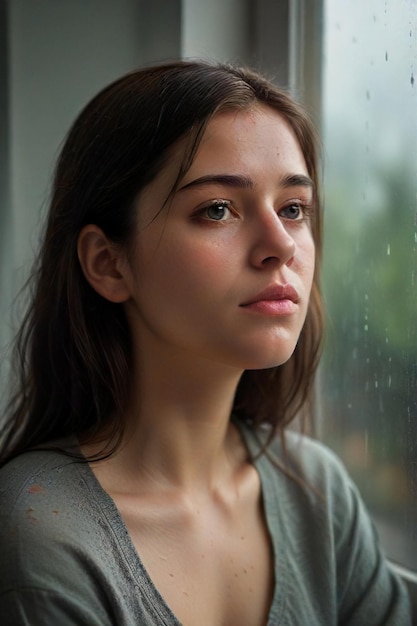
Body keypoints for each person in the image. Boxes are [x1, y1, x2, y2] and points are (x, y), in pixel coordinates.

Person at [0, 60, 411, 626]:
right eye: (217, 209)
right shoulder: (42, 533)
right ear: (108, 263)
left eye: (293, 209)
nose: (280, 245)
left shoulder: (316, 490)